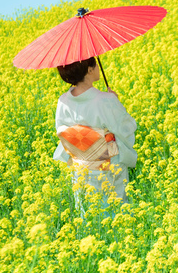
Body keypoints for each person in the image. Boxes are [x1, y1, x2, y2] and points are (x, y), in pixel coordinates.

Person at [52, 57, 137, 214]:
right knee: (115, 207)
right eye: (95, 64)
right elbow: (126, 128)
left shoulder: (63, 101)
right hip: (110, 164)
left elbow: (62, 132)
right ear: (90, 70)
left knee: (89, 208)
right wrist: (115, 102)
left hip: (81, 165)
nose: (98, 67)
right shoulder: (105, 100)